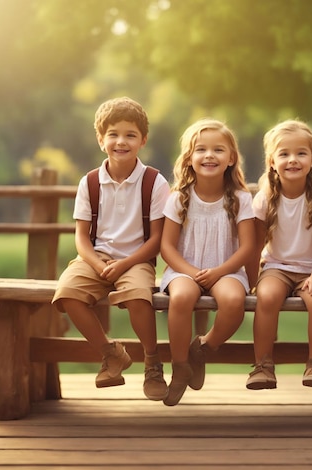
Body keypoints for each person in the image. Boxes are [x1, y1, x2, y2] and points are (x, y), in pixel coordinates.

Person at [52, 97, 171, 401]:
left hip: (137, 259)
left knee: (137, 297)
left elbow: (158, 239)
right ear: (101, 139)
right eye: (114, 134)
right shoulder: (90, 182)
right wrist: (94, 261)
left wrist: (124, 263)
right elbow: (80, 236)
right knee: (66, 293)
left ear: (143, 140)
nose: (121, 141)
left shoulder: (154, 182)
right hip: (94, 257)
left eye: (130, 135)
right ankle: (110, 352)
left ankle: (152, 360)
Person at [160, 118, 255, 406]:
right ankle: (179, 366)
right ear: (189, 158)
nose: (209, 155)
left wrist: (219, 272)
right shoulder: (179, 198)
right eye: (201, 149)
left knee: (233, 301)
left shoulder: (240, 198)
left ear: (231, 158)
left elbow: (249, 245)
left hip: (226, 268)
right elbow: (166, 246)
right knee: (181, 298)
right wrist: (192, 272)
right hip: (183, 269)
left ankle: (202, 346)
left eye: (218, 150)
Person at [244, 120, 312, 390]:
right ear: (272, 161)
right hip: (277, 267)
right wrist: (253, 279)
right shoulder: (265, 197)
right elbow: (256, 242)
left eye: (300, 153)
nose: (292, 160)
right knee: (267, 296)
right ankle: (263, 365)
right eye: (284, 154)